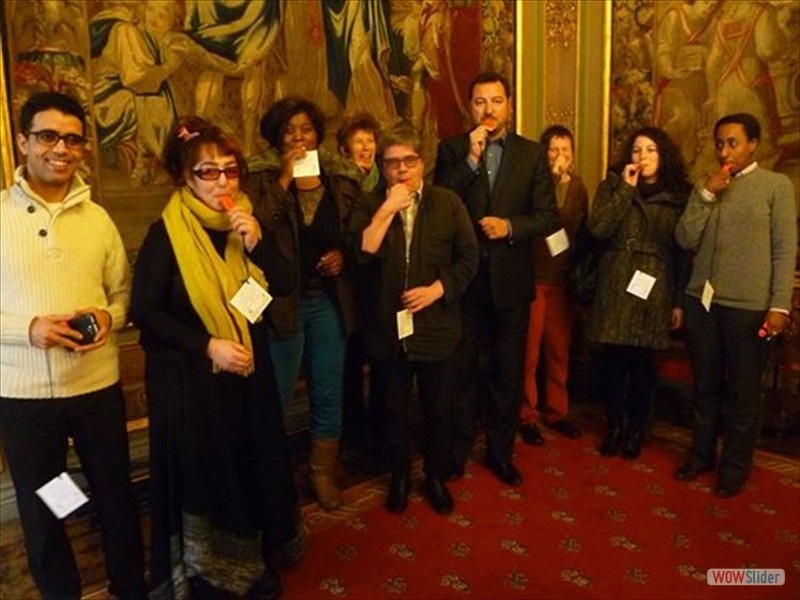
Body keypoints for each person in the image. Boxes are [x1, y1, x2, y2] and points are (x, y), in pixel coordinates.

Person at [131, 116, 299, 598]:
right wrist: (208, 346)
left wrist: (257, 243)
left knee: (254, 462)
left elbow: (283, 286)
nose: (222, 181)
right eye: (208, 171)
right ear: (185, 176)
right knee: (215, 472)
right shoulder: (168, 233)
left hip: (250, 371)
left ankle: (256, 557)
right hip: (197, 382)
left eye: (230, 169)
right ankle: (215, 575)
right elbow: (145, 310)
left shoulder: (245, 220)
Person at [0, 91, 146, 599]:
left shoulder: (98, 220)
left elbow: (123, 293)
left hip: (96, 386)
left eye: (72, 138)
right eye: (47, 136)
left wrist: (109, 316)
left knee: (115, 498)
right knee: (41, 508)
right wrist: (28, 329)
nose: (60, 148)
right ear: (23, 142)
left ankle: (130, 589)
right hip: (23, 399)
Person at [434, 71, 558, 486]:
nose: (488, 109)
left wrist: (509, 226)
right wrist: (470, 160)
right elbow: (441, 204)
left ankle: (501, 453)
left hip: (510, 281)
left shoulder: (532, 153)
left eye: (496, 101)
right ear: (470, 107)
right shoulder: (451, 150)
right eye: (479, 102)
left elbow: (547, 216)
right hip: (464, 282)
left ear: (509, 104)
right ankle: (457, 451)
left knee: (507, 373)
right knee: (462, 372)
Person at [348, 123, 478, 514]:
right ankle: (400, 477)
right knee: (393, 409)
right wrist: (388, 207)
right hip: (388, 329)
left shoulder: (448, 203)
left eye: (409, 161)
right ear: (382, 168)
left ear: (422, 163)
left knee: (438, 407)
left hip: (437, 326)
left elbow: (469, 258)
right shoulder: (370, 203)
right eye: (392, 163)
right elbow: (360, 251)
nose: (401, 170)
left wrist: (438, 289)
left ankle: (435, 476)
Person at [245, 97, 362, 511]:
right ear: (278, 136)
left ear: (317, 134)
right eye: (289, 130)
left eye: (306, 129)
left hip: (328, 300)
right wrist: (285, 179)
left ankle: (321, 471)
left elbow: (355, 231)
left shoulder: (340, 177)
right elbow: (254, 232)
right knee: (275, 393)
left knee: (329, 388)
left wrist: (342, 256)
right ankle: (271, 474)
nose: (299, 137)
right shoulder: (259, 176)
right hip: (283, 304)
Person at [674, 113, 797, 498]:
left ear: (753, 144)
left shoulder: (775, 186)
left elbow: (783, 249)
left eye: (733, 143)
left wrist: (779, 305)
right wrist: (706, 195)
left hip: (749, 308)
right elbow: (683, 238)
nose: (725, 151)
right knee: (706, 388)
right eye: (720, 143)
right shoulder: (707, 186)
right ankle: (701, 455)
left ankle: (734, 468)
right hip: (702, 304)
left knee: (743, 394)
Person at [589, 126, 691, 460]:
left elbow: (682, 253)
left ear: (663, 156)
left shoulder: (679, 196)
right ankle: (614, 425)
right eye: (636, 150)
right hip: (617, 283)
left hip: (655, 285)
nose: (642, 157)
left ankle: (636, 429)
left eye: (650, 150)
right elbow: (598, 229)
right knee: (613, 365)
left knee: (644, 366)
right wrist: (624, 190)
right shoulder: (614, 185)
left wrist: (677, 301)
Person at [518, 125, 589, 446]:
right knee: (529, 354)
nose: (560, 157)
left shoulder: (578, 188)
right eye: (554, 150)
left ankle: (557, 411)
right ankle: (526, 414)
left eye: (566, 151)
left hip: (562, 280)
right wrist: (549, 185)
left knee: (559, 351)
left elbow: (578, 230)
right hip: (532, 278)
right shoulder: (532, 185)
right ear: (543, 154)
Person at [336, 112, 389, 470]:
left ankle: (377, 436)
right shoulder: (338, 183)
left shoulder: (383, 182)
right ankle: (352, 437)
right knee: (349, 368)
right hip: (347, 290)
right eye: (359, 140)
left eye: (370, 140)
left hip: (379, 286)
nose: (366, 146)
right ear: (344, 147)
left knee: (382, 367)